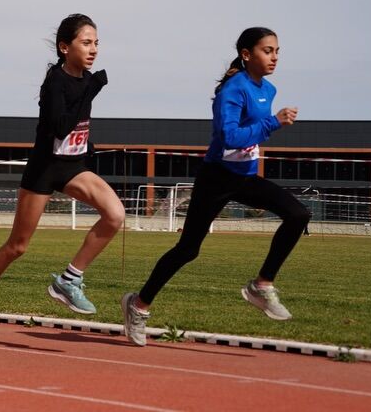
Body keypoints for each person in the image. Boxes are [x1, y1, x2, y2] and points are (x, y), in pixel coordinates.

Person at [121, 27, 311, 347]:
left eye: (277, 51)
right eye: (267, 50)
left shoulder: (269, 89)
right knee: (188, 250)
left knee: (298, 214)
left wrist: (267, 125)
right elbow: (230, 138)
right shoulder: (232, 91)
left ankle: (261, 286)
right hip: (216, 179)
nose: (275, 57)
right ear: (247, 54)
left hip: (246, 178)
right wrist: (273, 123)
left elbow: (249, 137)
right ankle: (138, 306)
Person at [0, 14, 126, 345]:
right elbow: (61, 126)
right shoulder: (55, 84)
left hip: (74, 166)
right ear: (65, 47)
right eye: (86, 43)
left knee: (115, 214)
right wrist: (91, 91)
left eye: (96, 43)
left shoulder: (86, 80)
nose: (93, 50)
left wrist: (89, 96)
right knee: (17, 246)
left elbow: (74, 130)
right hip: (44, 170)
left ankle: (69, 279)